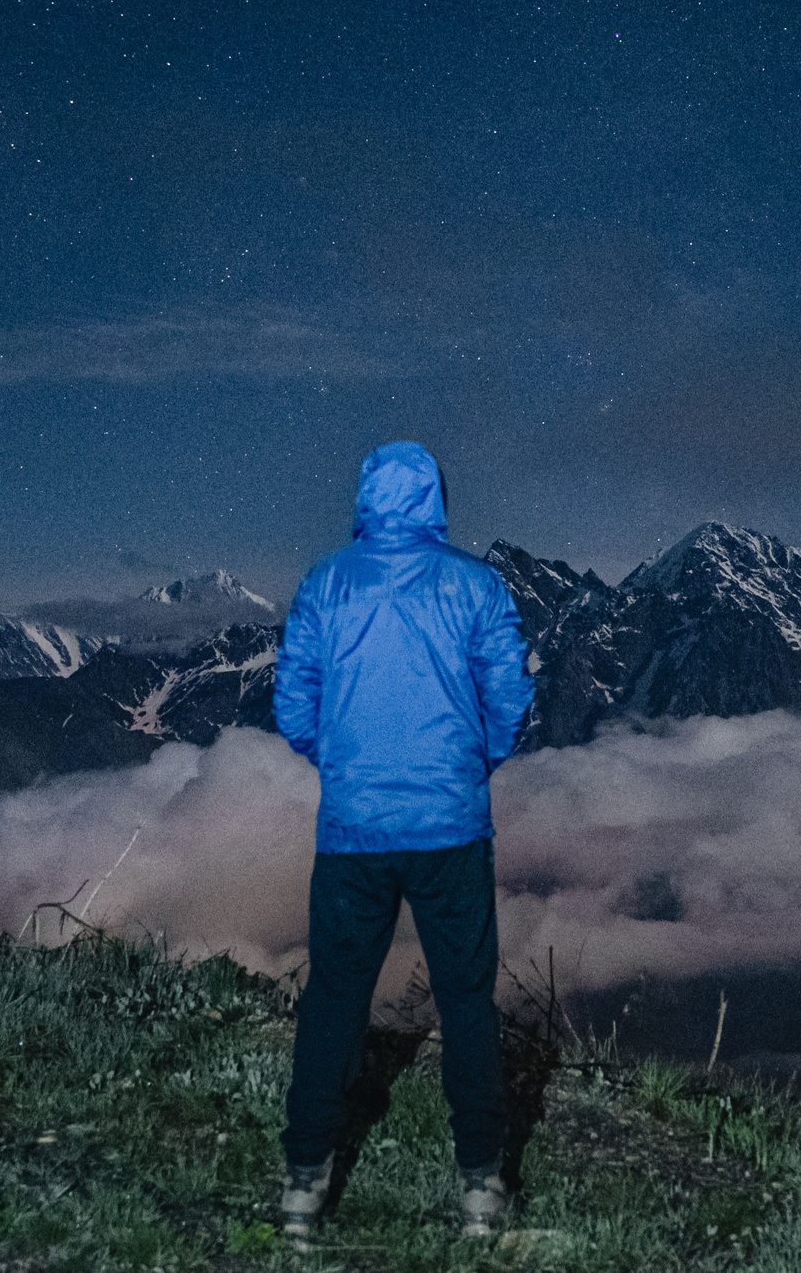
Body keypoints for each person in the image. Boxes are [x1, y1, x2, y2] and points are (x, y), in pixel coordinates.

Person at [271, 441, 535, 1242]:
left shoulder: (326, 582)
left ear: (365, 497)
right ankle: (482, 1187)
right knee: (465, 1002)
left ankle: (303, 1188)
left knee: (334, 1001)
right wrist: (470, 762)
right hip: (452, 827)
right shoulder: (475, 584)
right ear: (434, 500)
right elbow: (510, 693)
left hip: (353, 832)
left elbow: (292, 702)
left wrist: (344, 762)